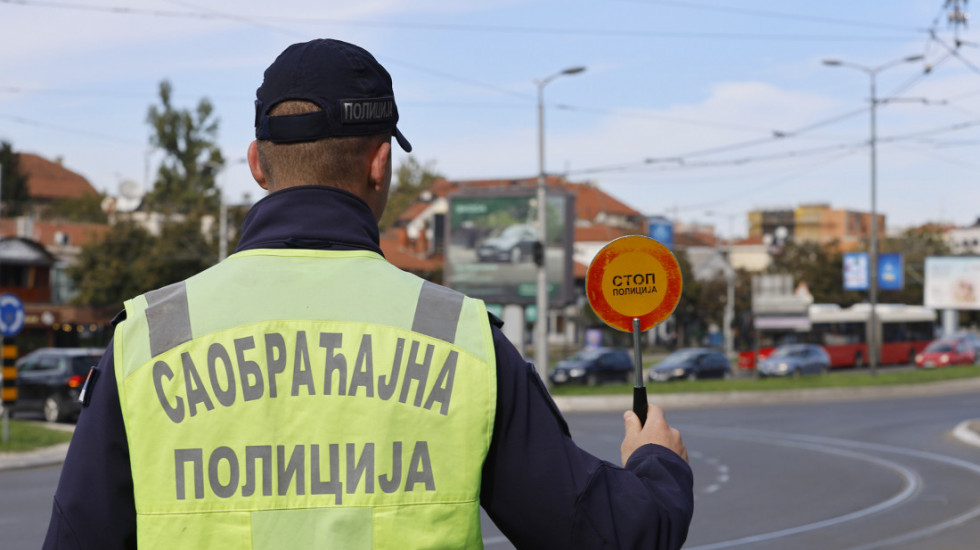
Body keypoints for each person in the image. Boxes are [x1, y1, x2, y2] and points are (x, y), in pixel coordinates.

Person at [43, 38, 693, 549]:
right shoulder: (459, 339)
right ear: (381, 162)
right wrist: (656, 464)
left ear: (257, 163)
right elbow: (610, 535)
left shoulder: (149, 339)